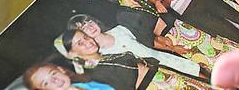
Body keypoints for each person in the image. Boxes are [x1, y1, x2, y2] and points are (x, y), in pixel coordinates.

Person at [100, 0, 239, 72]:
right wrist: (173, 48)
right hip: (172, 38)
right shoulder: (123, 14)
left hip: (182, 26)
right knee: (209, 60)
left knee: (219, 47)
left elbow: (161, 11)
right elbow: (146, 39)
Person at [54, 28, 213, 90]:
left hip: (167, 77)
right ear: (73, 54)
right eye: (80, 43)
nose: (88, 41)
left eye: (85, 37)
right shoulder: (92, 75)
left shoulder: (106, 56)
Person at [66, 13, 207, 79]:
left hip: (170, 61)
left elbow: (148, 42)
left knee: (205, 79)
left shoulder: (120, 29)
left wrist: (172, 48)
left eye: (88, 21)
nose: (89, 27)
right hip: (158, 79)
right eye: (83, 28)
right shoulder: (100, 56)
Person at [22, 62, 114, 90]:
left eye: (53, 73)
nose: (55, 80)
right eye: (45, 83)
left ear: (61, 70)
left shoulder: (89, 84)